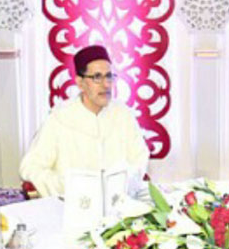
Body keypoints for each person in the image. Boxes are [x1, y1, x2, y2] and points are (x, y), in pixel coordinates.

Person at [19, 45, 149, 197]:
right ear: (80, 83)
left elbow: (139, 160)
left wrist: (121, 184)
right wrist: (68, 186)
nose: (106, 84)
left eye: (109, 76)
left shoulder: (123, 114)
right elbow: (30, 167)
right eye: (97, 77)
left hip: (118, 202)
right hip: (72, 205)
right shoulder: (60, 118)